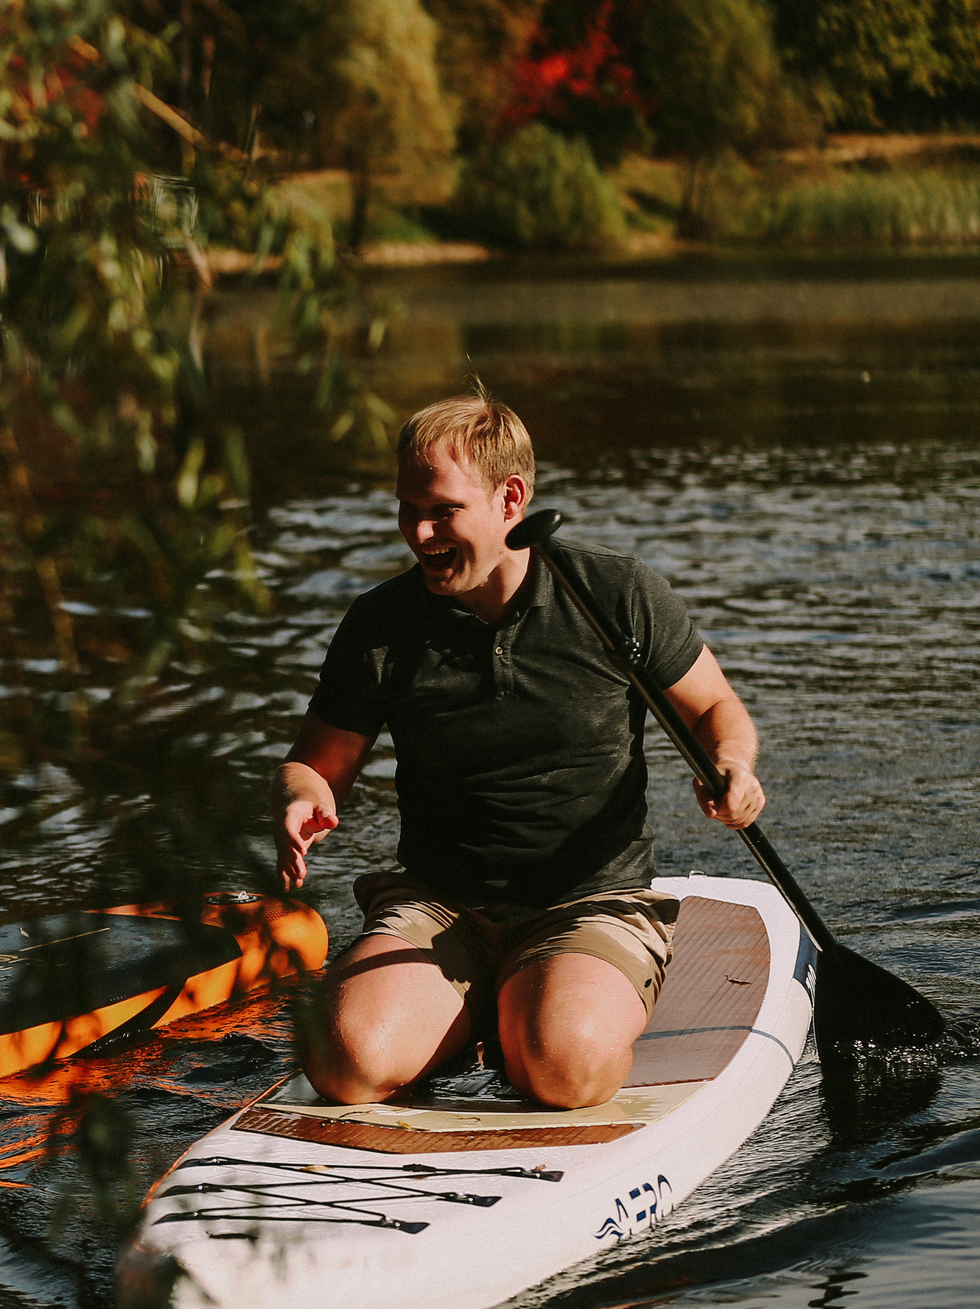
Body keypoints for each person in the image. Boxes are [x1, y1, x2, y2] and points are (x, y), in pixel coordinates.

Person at [277, 394, 767, 1111]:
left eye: (442, 510)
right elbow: (314, 767)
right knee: (345, 1061)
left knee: (565, 1067)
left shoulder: (615, 594)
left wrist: (733, 765)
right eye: (407, 509)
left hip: (589, 901)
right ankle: (480, 1013)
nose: (418, 532)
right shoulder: (381, 623)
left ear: (511, 499)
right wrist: (301, 798)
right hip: (441, 904)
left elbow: (716, 709)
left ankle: (532, 1014)